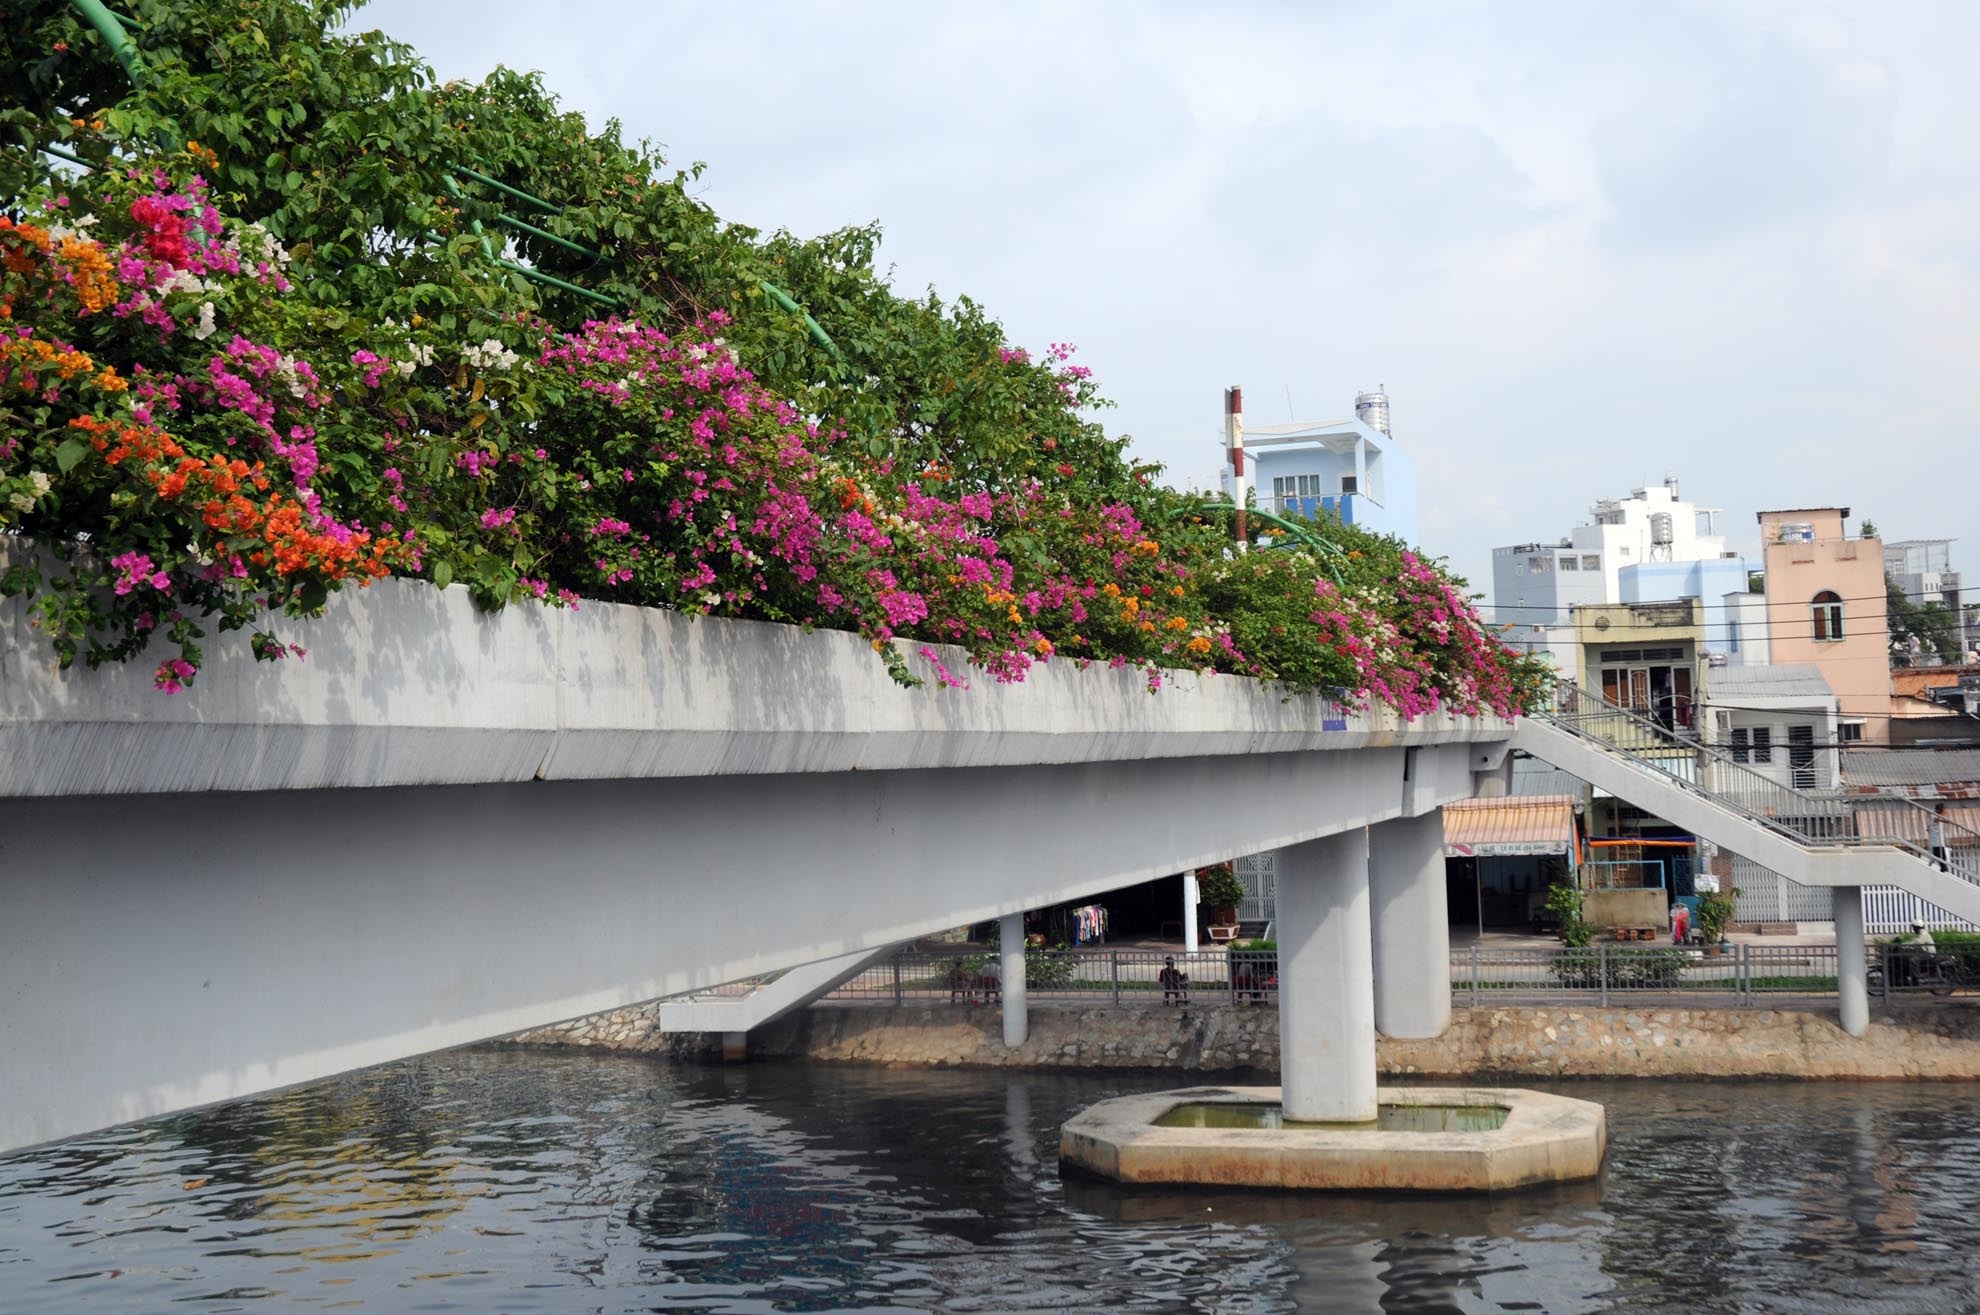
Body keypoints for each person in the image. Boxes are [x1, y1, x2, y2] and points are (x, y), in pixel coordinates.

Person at [1927, 803, 1950, 872]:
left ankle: (1943, 870)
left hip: (1938, 841)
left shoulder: (1935, 816)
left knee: (1942, 858)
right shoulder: (1933, 815)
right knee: (1942, 858)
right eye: (1943, 809)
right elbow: (1940, 820)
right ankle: (1943, 871)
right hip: (1936, 842)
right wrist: (1944, 814)